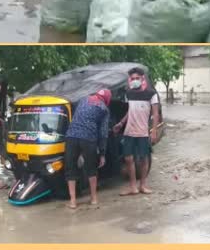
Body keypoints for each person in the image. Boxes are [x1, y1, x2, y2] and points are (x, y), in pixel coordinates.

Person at [113, 68, 160, 196]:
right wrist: (121, 123)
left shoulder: (151, 94)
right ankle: (133, 187)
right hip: (129, 131)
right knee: (128, 159)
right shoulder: (129, 93)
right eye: (132, 79)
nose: (134, 81)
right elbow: (130, 111)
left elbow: (155, 114)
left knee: (144, 159)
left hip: (143, 132)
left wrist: (154, 131)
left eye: (136, 78)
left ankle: (143, 185)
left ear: (142, 78)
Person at [63, 89, 111, 209]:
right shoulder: (104, 108)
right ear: (107, 99)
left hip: (71, 136)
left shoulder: (82, 99)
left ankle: (73, 201)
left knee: (70, 168)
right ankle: (94, 198)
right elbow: (103, 132)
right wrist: (102, 153)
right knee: (91, 168)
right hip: (88, 138)